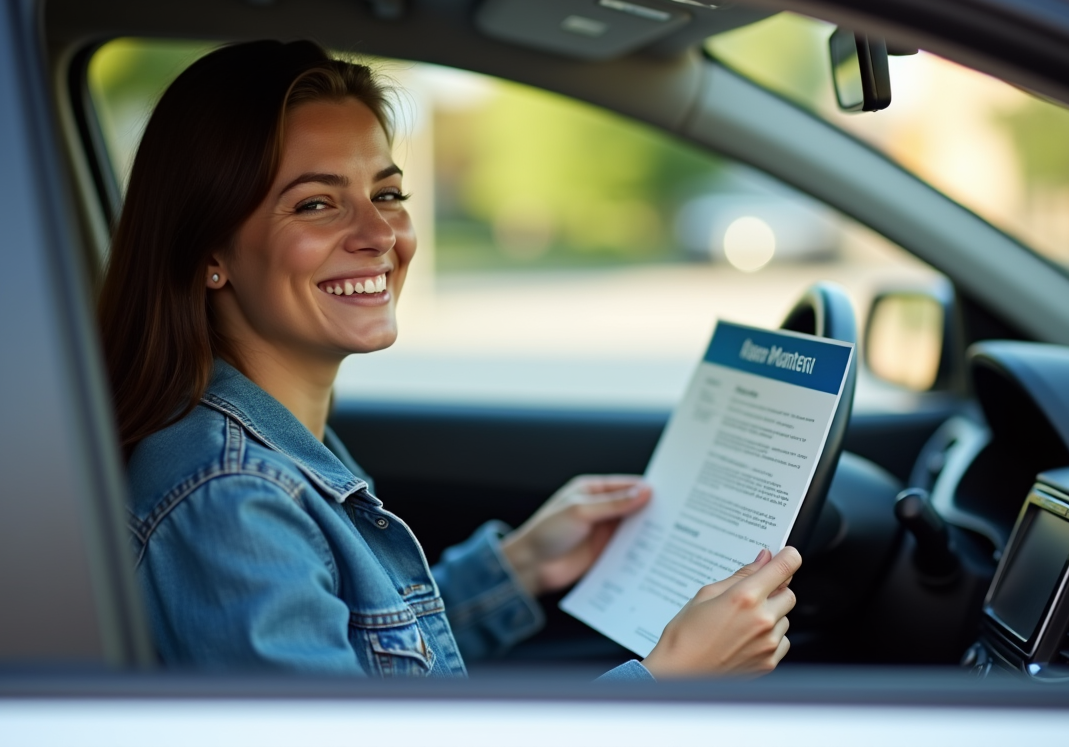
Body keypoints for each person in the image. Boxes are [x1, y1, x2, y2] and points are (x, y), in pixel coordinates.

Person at [99, 40, 801, 680]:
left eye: (387, 194)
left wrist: (521, 566)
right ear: (210, 255)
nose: (378, 233)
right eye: (316, 204)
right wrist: (671, 679)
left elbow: (366, 659)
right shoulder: (231, 497)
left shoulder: (268, 447)